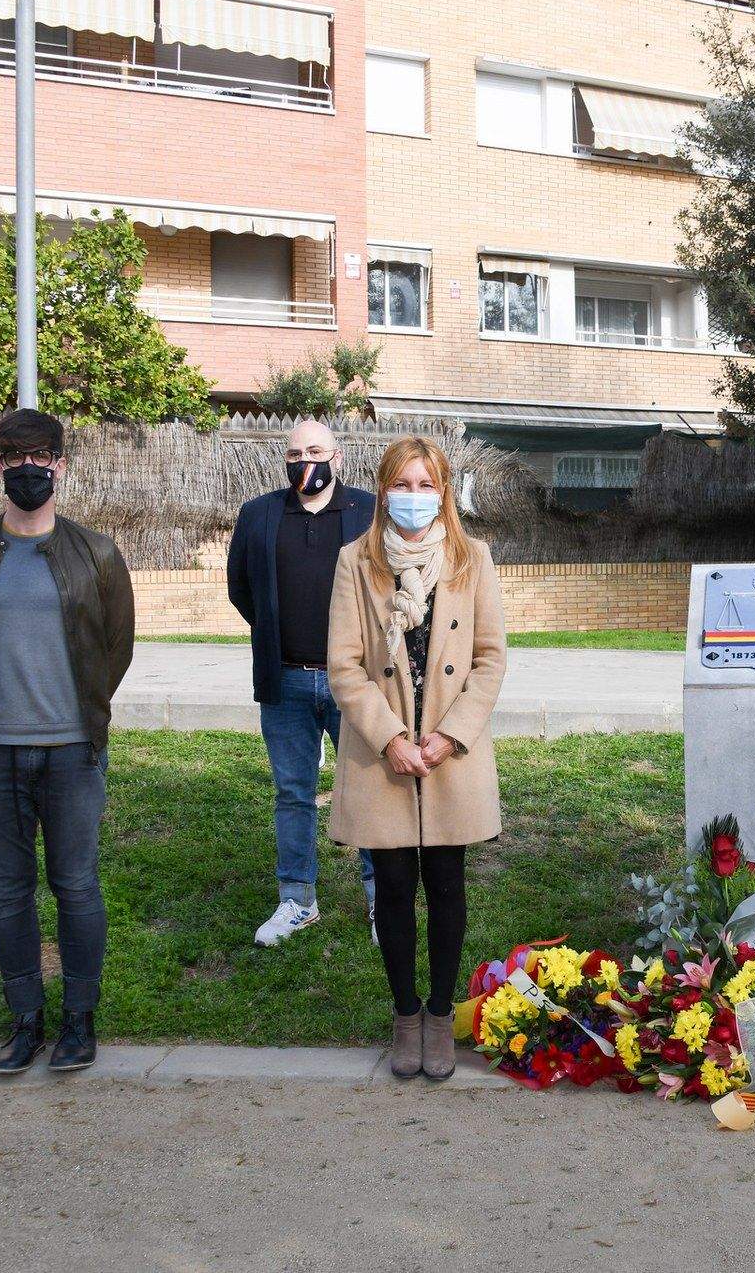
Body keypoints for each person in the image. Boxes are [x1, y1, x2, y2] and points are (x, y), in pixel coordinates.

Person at [0, 408, 135, 1074]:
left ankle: (79, 1020)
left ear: (62, 465)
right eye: (15, 458)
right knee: (8, 890)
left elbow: (115, 649)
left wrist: (82, 719)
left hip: (73, 751)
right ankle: (25, 1019)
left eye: (42, 457)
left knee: (76, 885)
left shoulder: (96, 553)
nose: (29, 470)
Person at [327, 436, 506, 1081]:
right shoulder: (356, 561)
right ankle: (405, 1013)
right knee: (396, 888)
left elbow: (489, 658)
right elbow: (343, 664)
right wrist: (393, 739)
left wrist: (448, 735)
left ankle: (439, 1013)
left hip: (449, 754)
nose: (414, 497)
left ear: (445, 491)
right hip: (386, 756)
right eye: (402, 484)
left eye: (426, 484)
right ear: (382, 491)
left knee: (447, 886)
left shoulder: (472, 558)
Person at [227, 419, 380, 946]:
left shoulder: (368, 511)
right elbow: (241, 590)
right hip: (286, 681)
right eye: (295, 452)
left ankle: (380, 898)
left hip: (356, 685)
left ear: (337, 456)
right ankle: (297, 900)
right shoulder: (258, 515)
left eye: (315, 450)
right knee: (293, 793)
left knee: (366, 791)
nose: (304, 460)